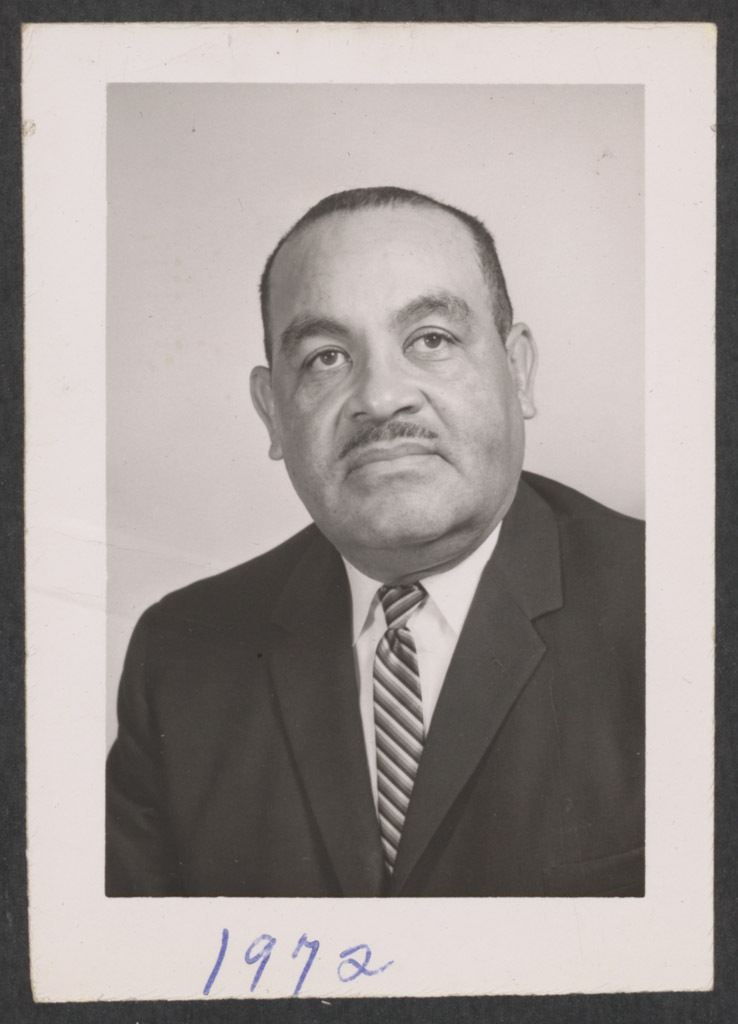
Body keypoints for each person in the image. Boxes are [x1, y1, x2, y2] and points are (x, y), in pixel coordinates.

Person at [106, 186, 645, 898]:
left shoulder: (679, 609)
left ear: (517, 371)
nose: (381, 397)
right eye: (327, 357)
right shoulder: (179, 655)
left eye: (431, 339)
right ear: (272, 412)